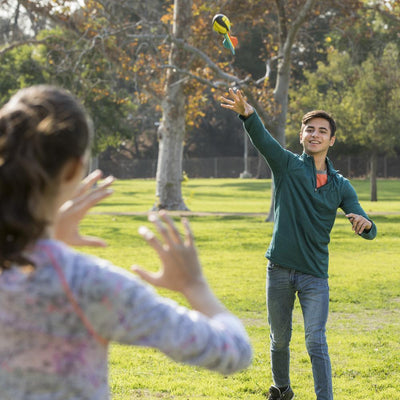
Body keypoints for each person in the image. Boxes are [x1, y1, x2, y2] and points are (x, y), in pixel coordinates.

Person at [0, 85, 252, 400]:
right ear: (75, 170)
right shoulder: (88, 284)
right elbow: (233, 351)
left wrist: (48, 239)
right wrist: (194, 285)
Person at [220, 88, 377, 400]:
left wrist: (366, 225)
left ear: (332, 140)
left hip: (315, 275)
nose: (315, 134)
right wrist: (247, 114)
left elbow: (364, 221)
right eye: (309, 129)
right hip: (278, 269)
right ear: (302, 135)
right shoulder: (288, 166)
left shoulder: (340, 185)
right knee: (279, 338)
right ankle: (282, 388)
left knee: (315, 341)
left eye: (322, 131)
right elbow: (263, 140)